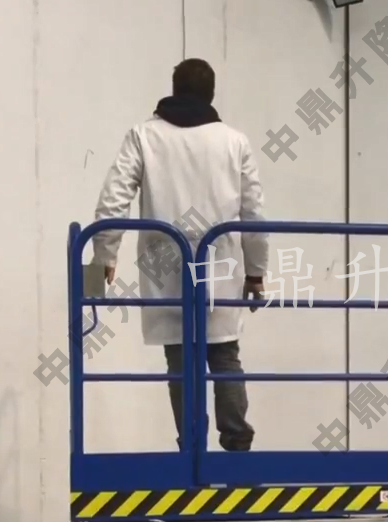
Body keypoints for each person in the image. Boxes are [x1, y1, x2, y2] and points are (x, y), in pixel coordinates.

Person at [91, 58, 268, 452]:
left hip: (165, 269)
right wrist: (256, 272)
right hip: (219, 268)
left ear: (173, 88)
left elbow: (113, 199)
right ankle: (238, 447)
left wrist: (104, 256)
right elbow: (254, 213)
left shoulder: (143, 136)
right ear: (211, 93)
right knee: (224, 355)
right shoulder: (233, 142)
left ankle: (191, 449)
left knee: (180, 362)